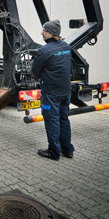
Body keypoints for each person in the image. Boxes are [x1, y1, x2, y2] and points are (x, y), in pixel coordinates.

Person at [31, 19, 74, 161]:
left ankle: (54, 152)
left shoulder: (45, 50)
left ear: (52, 33)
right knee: (64, 119)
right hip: (65, 91)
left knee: (52, 121)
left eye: (44, 30)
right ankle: (68, 150)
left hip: (51, 93)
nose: (41, 32)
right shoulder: (66, 47)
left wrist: (37, 78)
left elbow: (35, 71)